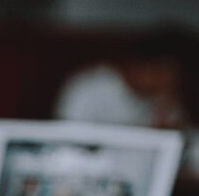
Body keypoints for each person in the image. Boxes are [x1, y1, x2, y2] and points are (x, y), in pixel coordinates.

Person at [55, 29, 192, 130]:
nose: (167, 82)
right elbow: (67, 141)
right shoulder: (89, 87)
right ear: (140, 64)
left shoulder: (165, 102)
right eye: (162, 73)